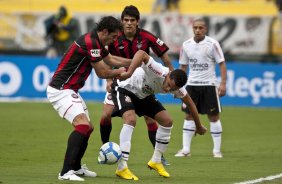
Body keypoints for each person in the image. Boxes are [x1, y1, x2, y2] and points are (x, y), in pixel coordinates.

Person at [46, 16, 133, 181]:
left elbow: (111, 59)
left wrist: (135, 62)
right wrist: (123, 71)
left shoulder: (97, 42)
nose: (115, 40)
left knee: (88, 127)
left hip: (70, 89)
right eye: (114, 36)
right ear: (105, 31)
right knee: (83, 126)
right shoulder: (90, 42)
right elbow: (103, 73)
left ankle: (76, 168)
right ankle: (65, 172)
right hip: (60, 89)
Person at [111, 50, 207, 180]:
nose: (168, 89)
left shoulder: (177, 87)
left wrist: (199, 125)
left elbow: (191, 104)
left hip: (144, 95)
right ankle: (122, 167)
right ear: (169, 75)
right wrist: (129, 72)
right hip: (126, 89)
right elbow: (141, 53)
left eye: (172, 89)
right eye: (168, 85)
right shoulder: (158, 70)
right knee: (130, 120)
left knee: (167, 121)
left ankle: (156, 161)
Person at [99, 5, 174, 165]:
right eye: (126, 20)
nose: (129, 23)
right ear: (122, 21)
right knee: (105, 116)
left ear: (137, 22)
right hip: (120, 82)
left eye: (132, 20)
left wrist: (171, 77)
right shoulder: (115, 37)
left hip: (141, 84)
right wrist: (108, 80)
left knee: (150, 118)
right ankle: (104, 148)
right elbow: (106, 58)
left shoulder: (146, 37)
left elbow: (165, 57)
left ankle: (159, 156)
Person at [174, 18, 227, 158]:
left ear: (206, 29)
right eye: (195, 27)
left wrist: (223, 83)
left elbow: (221, 63)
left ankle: (216, 150)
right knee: (189, 115)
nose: (197, 30)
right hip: (191, 85)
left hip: (209, 85)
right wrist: (178, 86)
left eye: (200, 28)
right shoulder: (186, 45)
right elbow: (183, 67)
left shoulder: (213, 44)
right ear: (192, 28)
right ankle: (186, 150)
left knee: (213, 116)